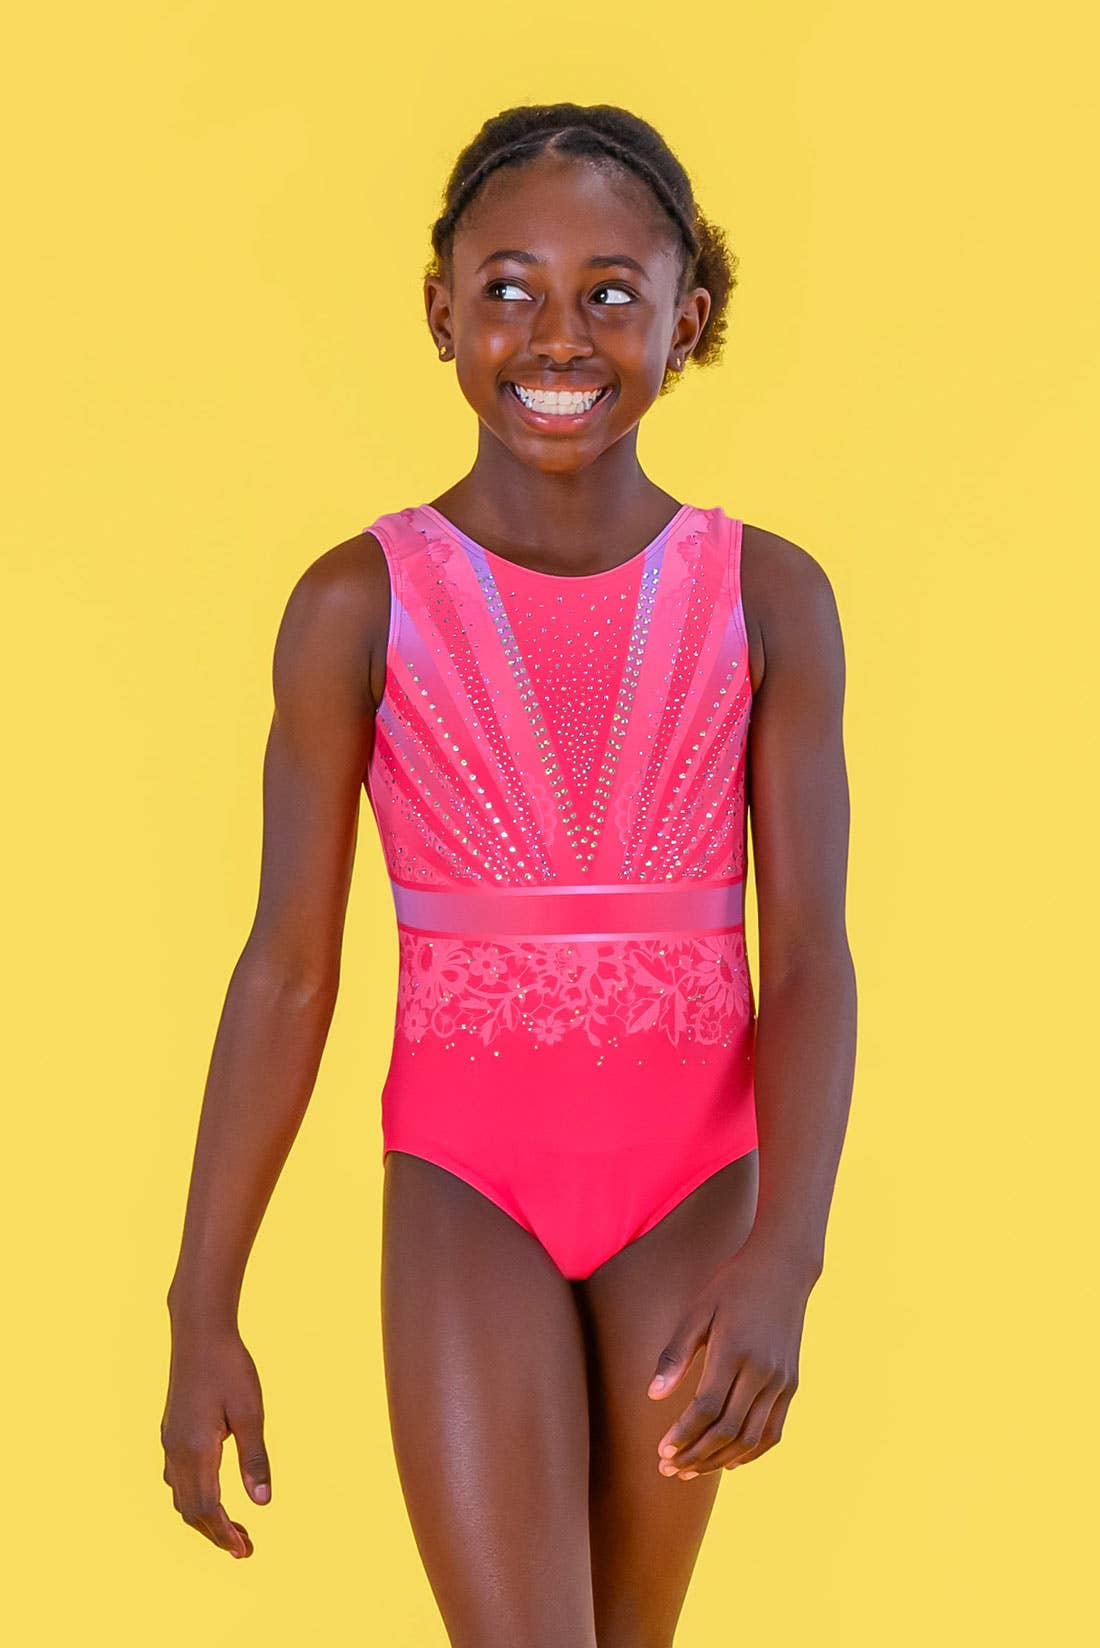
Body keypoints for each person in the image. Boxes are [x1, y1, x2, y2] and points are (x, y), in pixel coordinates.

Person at [162, 101, 857, 1647]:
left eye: (612, 291)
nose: (559, 334)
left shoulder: (767, 596)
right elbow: (287, 970)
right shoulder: (357, 603)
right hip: (468, 1189)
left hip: (696, 1196)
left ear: (690, 316)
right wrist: (201, 1301)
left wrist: (787, 1256)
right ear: (441, 311)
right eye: (510, 287)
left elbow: (810, 955)